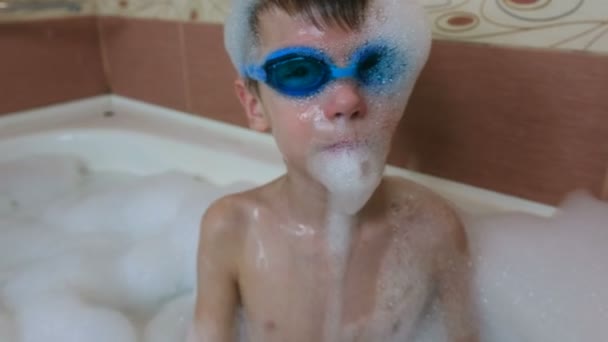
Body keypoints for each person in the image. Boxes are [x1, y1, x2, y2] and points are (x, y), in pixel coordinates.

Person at [189, 0, 478, 341]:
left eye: (373, 67)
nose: (347, 101)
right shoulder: (231, 229)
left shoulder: (435, 229)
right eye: (299, 71)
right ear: (254, 106)